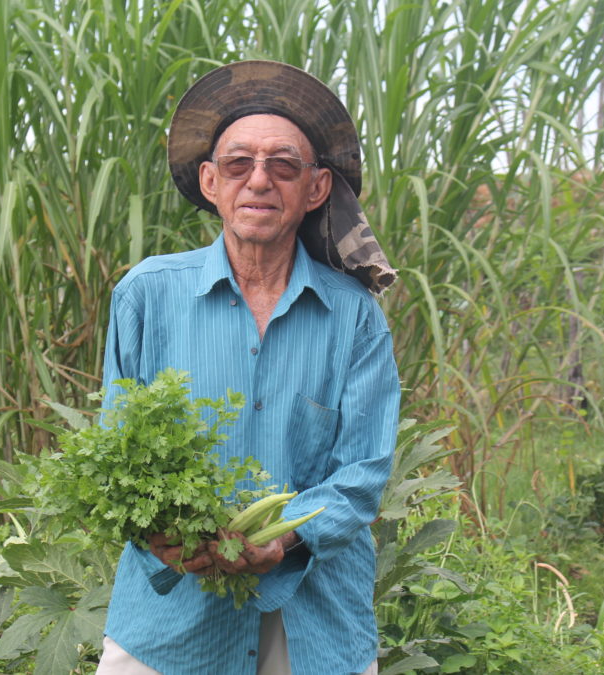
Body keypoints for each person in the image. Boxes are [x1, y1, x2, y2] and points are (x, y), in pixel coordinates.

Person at [96, 60, 400, 675]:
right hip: (171, 619)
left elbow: (363, 472)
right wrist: (159, 529)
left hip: (315, 621)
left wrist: (283, 535)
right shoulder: (146, 296)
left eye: (283, 166)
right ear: (210, 181)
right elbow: (117, 452)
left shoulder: (354, 318)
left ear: (315, 189)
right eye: (238, 164)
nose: (259, 181)